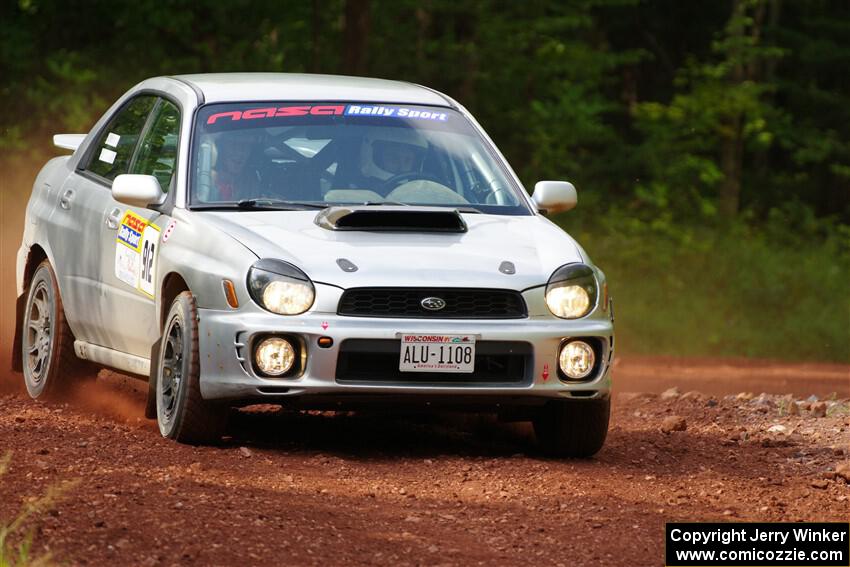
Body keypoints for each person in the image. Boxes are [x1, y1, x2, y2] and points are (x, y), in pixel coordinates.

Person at [210, 130, 263, 201]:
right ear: (221, 149)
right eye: (234, 145)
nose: (240, 153)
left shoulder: (253, 183)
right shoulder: (205, 181)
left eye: (246, 146)